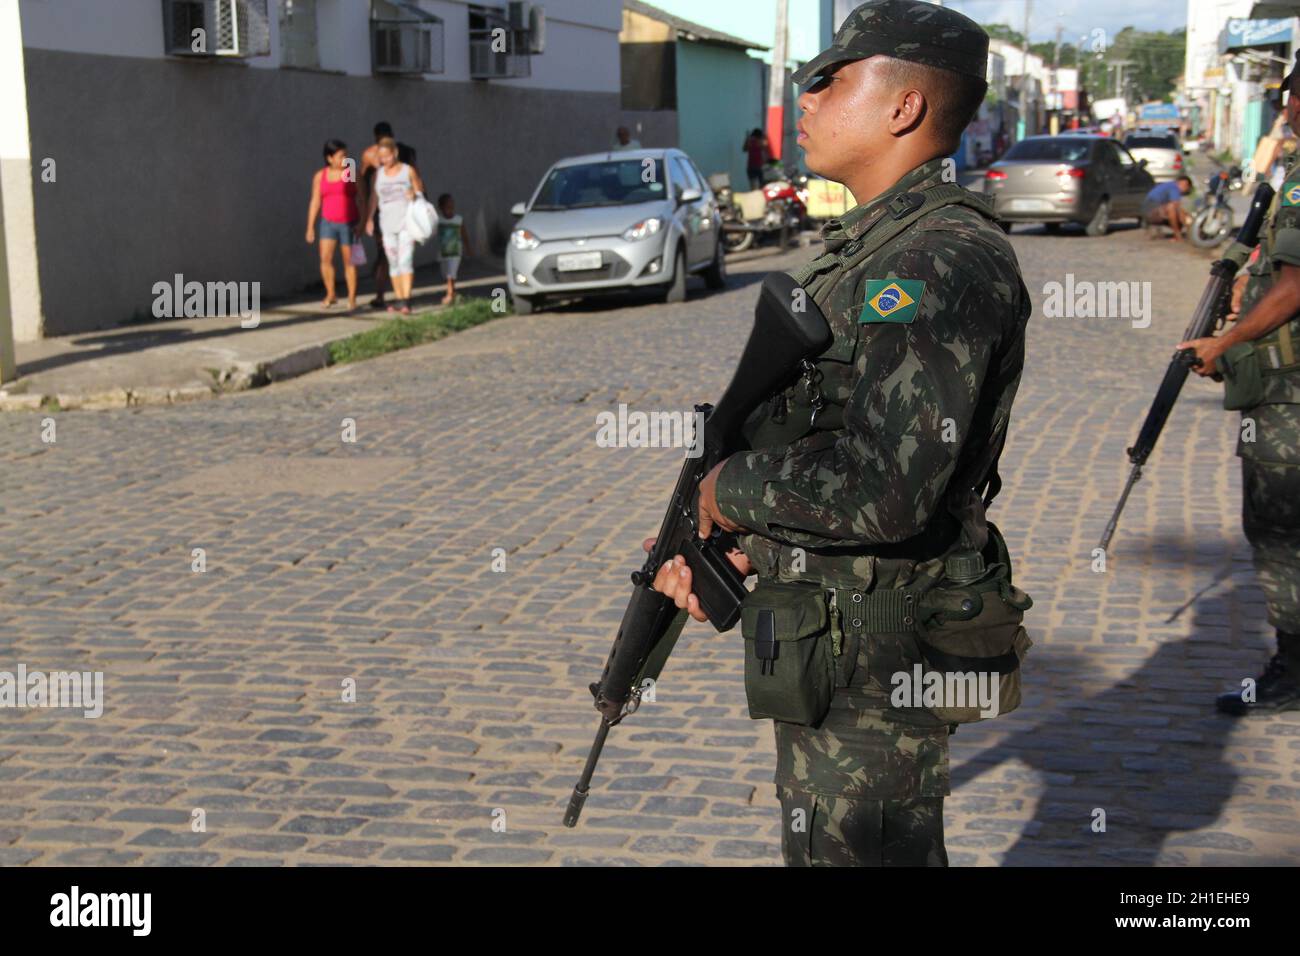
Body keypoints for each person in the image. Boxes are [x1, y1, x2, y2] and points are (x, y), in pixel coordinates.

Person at [648, 0, 1031, 866]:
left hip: (878, 657)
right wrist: (742, 539)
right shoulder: (868, 248)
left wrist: (725, 491)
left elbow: (886, 490)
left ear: (903, 108)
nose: (807, 97)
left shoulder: (932, 260)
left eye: (831, 80)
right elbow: (828, 440)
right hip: (835, 638)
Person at [1180, 51, 1300, 717]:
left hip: (1289, 396)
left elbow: (1294, 284)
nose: (1285, 109)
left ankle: (1293, 667)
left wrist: (1226, 342)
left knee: (1281, 529)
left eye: (1291, 97)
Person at [360, 122, 419, 310]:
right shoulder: (368, 155)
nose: (383, 159)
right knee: (387, 257)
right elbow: (360, 181)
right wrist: (364, 213)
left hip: (403, 216)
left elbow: (417, 180)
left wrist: (419, 201)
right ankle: (383, 295)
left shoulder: (406, 154)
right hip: (382, 215)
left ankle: (402, 298)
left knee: (400, 259)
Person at [305, 138, 359, 310]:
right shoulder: (320, 176)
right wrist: (310, 226)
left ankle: (351, 297)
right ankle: (331, 293)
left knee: (349, 261)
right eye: (341, 156)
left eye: (346, 155)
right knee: (325, 258)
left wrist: (364, 221)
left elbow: (363, 198)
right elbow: (315, 201)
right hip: (328, 222)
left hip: (348, 222)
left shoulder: (350, 172)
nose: (345, 159)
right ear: (330, 158)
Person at [436, 193, 468, 305]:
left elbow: (464, 235)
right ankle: (453, 292)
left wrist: (468, 248)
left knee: (451, 273)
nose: (450, 207)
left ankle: (449, 295)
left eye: (451, 204)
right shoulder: (438, 221)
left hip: (455, 252)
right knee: (446, 273)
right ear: (441, 207)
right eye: (447, 205)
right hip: (443, 253)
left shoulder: (458, 220)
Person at [1142, 175, 1193, 240]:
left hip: (1148, 211)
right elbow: (1176, 206)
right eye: (1187, 188)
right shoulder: (1174, 187)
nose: (1186, 191)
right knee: (1173, 208)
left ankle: (1189, 230)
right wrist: (1189, 220)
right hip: (1151, 210)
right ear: (1184, 184)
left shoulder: (1170, 185)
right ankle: (1178, 234)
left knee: (1178, 213)